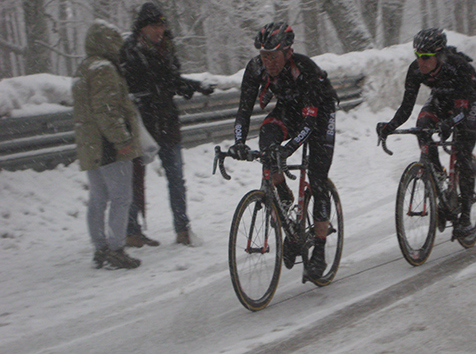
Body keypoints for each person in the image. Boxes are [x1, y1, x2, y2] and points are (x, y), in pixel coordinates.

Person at [228, 21, 338, 280]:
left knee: (318, 178)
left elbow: (310, 123)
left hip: (319, 114)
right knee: (267, 141)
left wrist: (287, 151)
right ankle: (284, 198)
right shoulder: (256, 68)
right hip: (289, 110)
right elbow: (243, 111)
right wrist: (239, 142)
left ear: (288, 52)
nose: (268, 62)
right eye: (264, 55)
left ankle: (320, 250)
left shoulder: (305, 69)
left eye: (273, 56)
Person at [120, 2, 213, 247]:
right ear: (143, 27)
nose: (159, 30)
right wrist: (147, 95)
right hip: (142, 125)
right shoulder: (130, 51)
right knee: (133, 180)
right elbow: (130, 88)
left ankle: (182, 230)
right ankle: (132, 231)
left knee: (176, 178)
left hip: (167, 122)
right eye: (155, 26)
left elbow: (171, 81)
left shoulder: (166, 47)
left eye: (162, 25)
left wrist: (195, 86)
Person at [376, 28, 476, 239]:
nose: (420, 61)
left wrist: (450, 123)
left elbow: (462, 111)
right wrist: (390, 126)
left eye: (425, 57)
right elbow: (406, 107)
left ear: (440, 55)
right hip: (441, 97)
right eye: (417, 55)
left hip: (467, 101)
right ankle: (439, 178)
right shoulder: (415, 70)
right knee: (422, 127)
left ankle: (466, 215)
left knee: (462, 152)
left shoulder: (457, 68)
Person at [72, 20, 142, 269]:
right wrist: (122, 139)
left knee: (98, 197)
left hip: (90, 144)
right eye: (115, 41)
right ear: (106, 42)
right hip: (109, 145)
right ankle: (116, 249)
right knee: (121, 197)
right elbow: (107, 110)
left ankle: (100, 249)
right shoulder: (104, 69)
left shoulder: (84, 67)